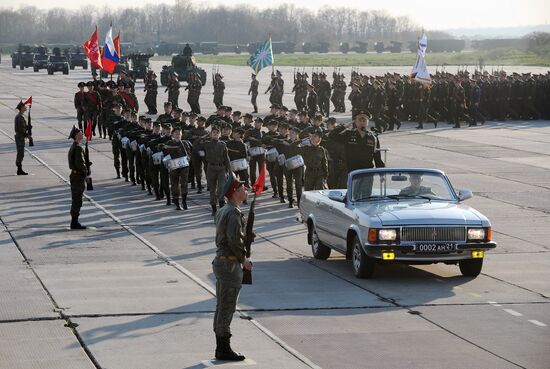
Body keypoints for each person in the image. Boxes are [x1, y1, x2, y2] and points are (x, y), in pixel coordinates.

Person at [212, 173, 252, 362]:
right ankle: (223, 349)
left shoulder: (223, 210)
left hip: (222, 261)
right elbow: (234, 240)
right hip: (229, 264)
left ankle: (221, 347)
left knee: (222, 306)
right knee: (227, 307)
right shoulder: (233, 213)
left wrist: (246, 237)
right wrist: (243, 259)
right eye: (243, 188)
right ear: (235, 192)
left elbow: (231, 236)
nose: (246, 190)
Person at [67, 126, 88, 230]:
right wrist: (86, 175)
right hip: (78, 177)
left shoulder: (74, 146)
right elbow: (80, 164)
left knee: (76, 198)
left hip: (75, 175)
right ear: (76, 136)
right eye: (80, 133)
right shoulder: (78, 148)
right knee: (77, 200)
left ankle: (74, 221)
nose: (82, 134)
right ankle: (74, 222)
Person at [14, 100, 29, 175]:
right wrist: (27, 135)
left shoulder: (20, 116)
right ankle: (19, 170)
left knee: (21, 153)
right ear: (22, 108)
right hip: (20, 137)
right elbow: (20, 129)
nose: (25, 107)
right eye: (24, 106)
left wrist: (27, 127)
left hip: (20, 137)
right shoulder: (19, 117)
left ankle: (19, 169)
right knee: (20, 153)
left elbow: (22, 127)